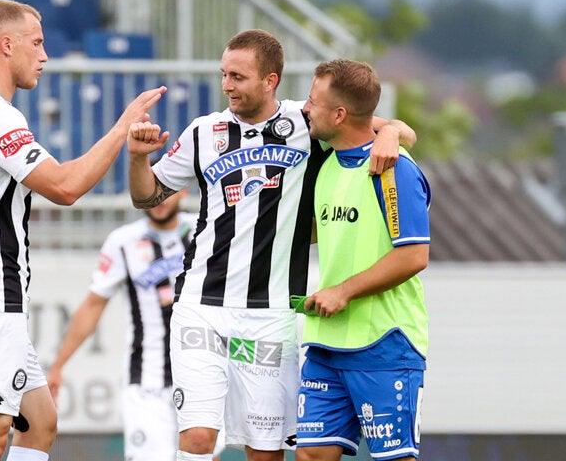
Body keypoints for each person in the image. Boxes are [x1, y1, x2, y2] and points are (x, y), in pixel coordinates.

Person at [125, 29, 416, 461]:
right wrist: (136, 156)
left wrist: (390, 133)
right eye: (224, 74)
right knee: (200, 438)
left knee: (265, 450)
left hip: (273, 313)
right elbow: (146, 196)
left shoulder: (307, 121)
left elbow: (387, 127)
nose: (227, 85)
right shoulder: (205, 131)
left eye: (239, 77)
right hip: (201, 306)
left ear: (270, 80)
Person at [0, 0, 166, 461]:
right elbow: (66, 188)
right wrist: (121, 129)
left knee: (40, 424)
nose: (45, 55)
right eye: (37, 43)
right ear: (6, 45)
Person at [295, 59, 431, 461]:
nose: (304, 108)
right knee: (310, 455)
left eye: (312, 101)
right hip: (327, 342)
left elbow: (413, 255)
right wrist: (392, 127)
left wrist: (343, 291)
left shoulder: (395, 170)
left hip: (385, 343)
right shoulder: (324, 159)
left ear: (339, 114)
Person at [47, 188, 226, 461]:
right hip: (147, 376)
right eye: (152, 193)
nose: (159, 201)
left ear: (183, 192)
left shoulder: (205, 230)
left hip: (201, 369)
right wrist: (59, 365)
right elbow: (93, 305)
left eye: (166, 192)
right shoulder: (123, 242)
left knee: (202, 452)